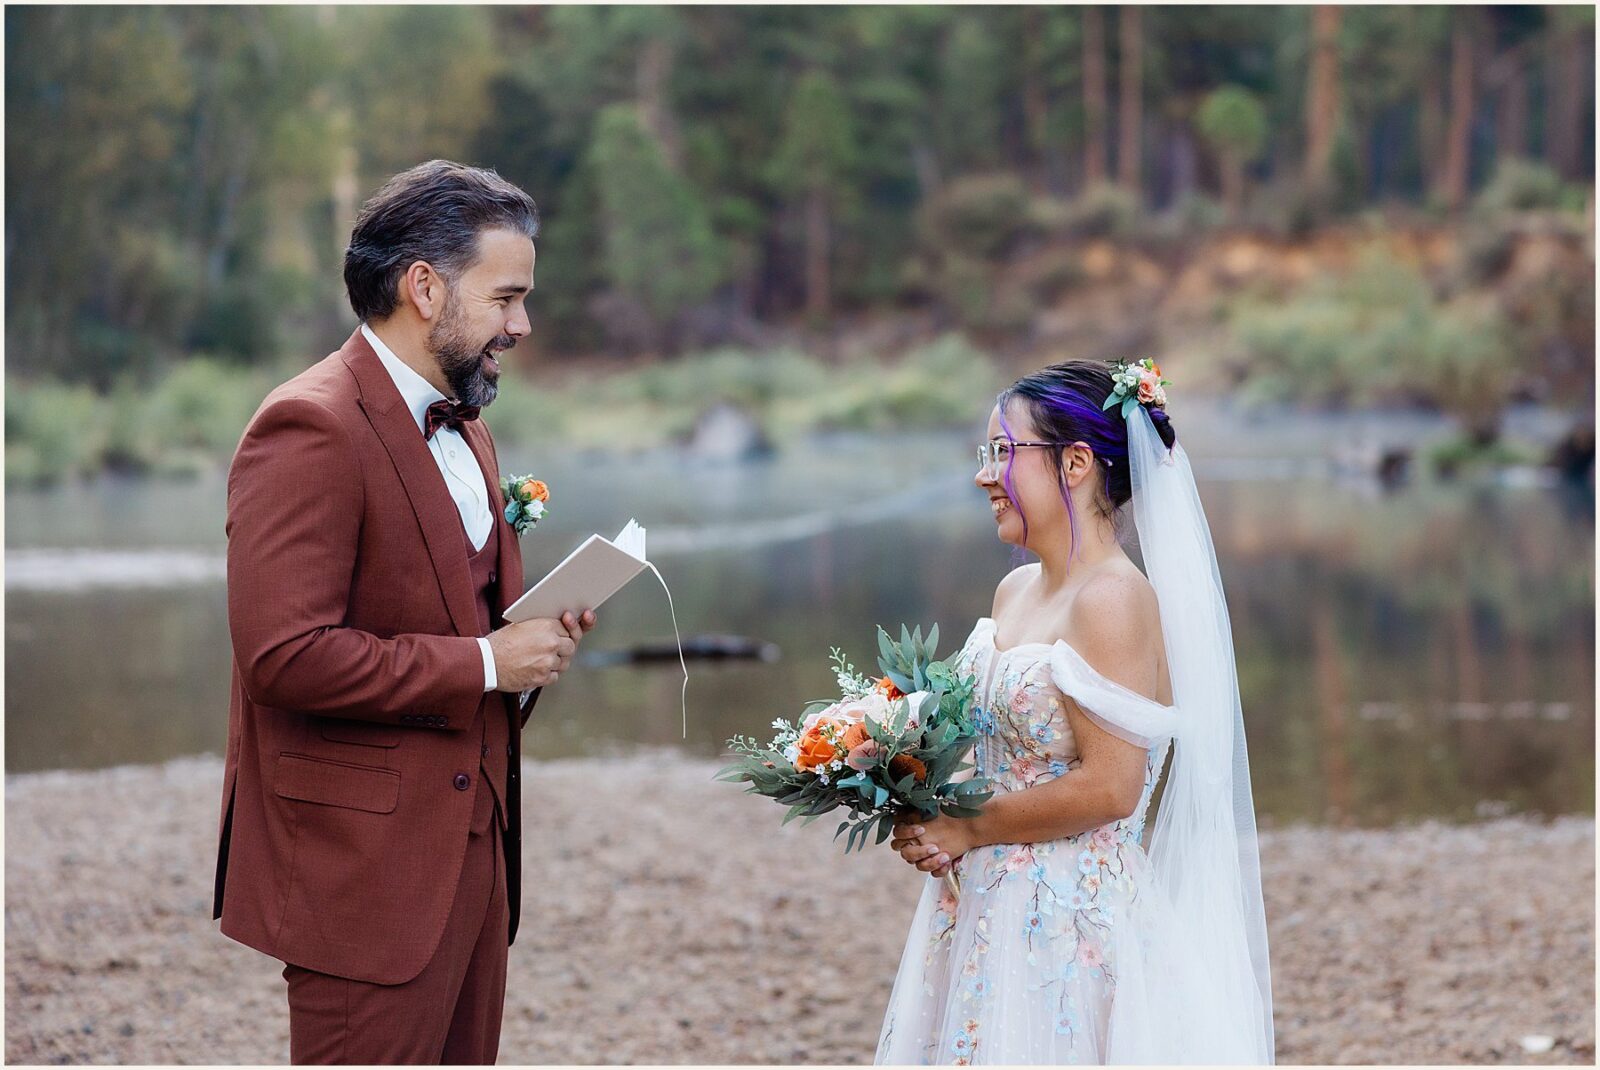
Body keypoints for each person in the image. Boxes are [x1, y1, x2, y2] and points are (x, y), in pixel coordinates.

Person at [211, 159, 596, 1064]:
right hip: (362, 873)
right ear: (423, 286)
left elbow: (458, 607)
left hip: (477, 853)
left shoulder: (467, 423)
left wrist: (537, 633)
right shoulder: (307, 426)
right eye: (505, 298)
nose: (522, 325)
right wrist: (489, 663)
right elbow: (283, 656)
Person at [878, 360, 1274, 1064]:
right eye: (986, 455)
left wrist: (966, 826)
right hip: (982, 905)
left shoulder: (1113, 599)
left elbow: (1114, 786)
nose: (984, 475)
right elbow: (996, 754)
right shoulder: (1015, 591)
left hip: (1068, 923)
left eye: (1003, 452)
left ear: (1077, 462)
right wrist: (920, 808)